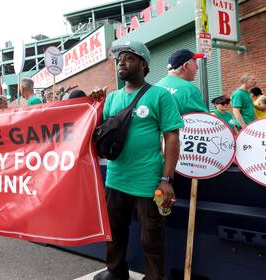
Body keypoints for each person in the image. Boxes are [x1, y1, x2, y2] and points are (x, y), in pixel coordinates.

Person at [92, 41, 183, 280]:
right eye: (119, 58)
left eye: (129, 58)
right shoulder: (111, 98)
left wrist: (167, 179)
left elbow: (172, 138)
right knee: (114, 232)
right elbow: (97, 132)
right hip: (115, 178)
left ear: (143, 64)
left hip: (148, 181)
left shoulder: (160, 96)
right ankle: (116, 271)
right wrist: (93, 104)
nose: (121, 62)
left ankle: (154, 277)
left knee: (151, 236)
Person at [156, 49, 207, 115]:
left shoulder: (156, 86)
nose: (197, 67)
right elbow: (203, 121)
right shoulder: (189, 90)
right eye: (195, 62)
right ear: (185, 66)